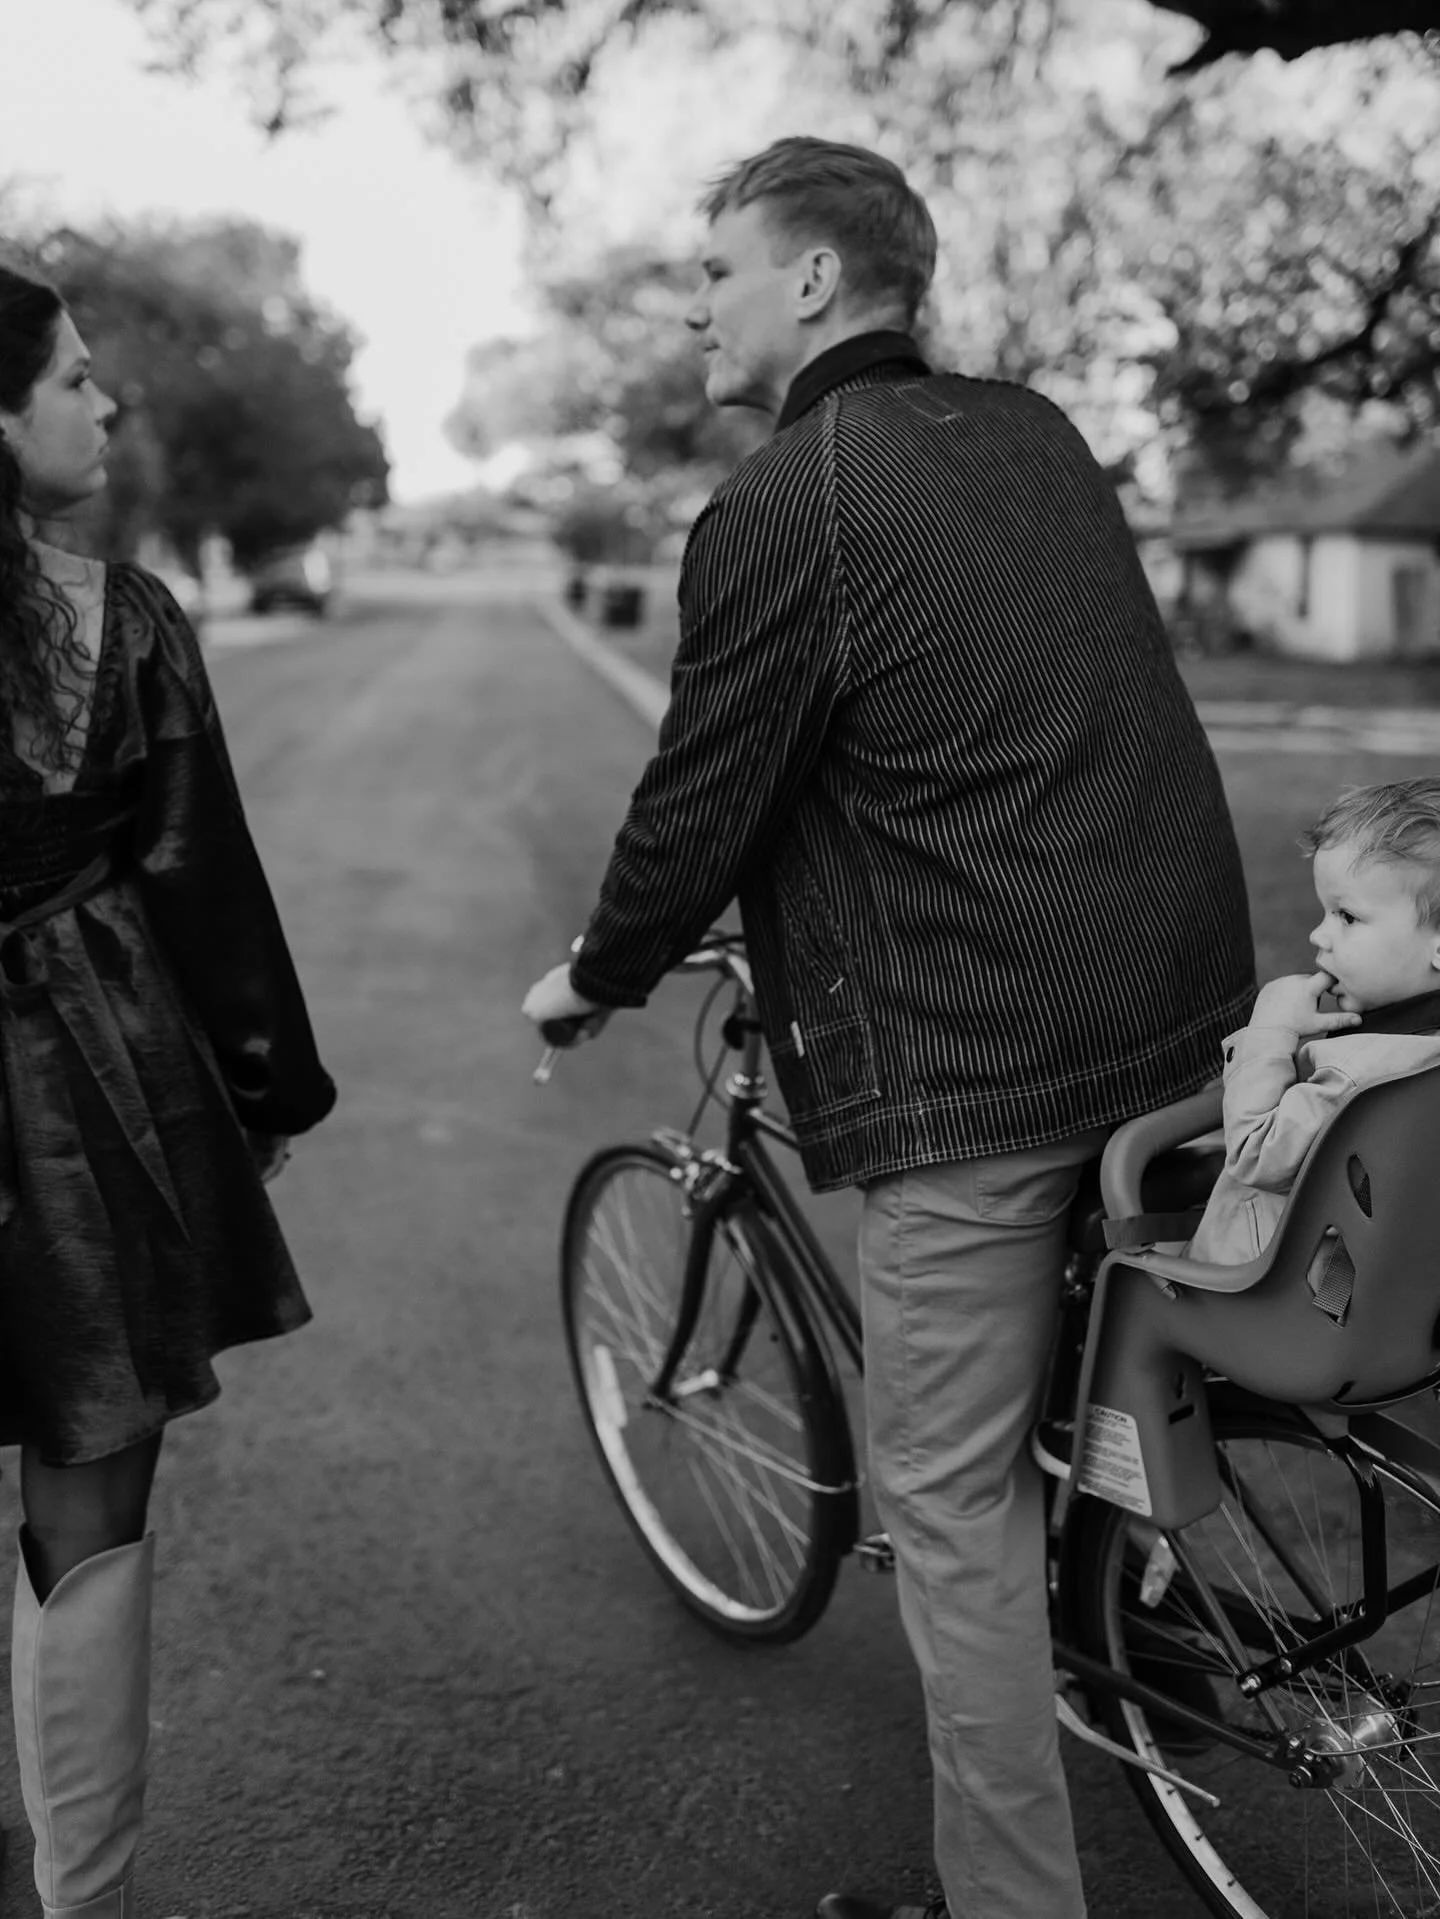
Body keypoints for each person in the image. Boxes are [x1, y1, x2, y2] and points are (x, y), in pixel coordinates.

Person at [522, 137, 1254, 1919]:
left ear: (817, 284)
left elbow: (706, 796)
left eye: (715, 265)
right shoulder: (1041, 435)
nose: (692, 297)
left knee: (948, 1510)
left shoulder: (790, 498)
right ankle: (1144, 1608)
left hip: (983, 1060)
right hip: (1178, 1014)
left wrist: (596, 971)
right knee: (1106, 1385)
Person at [0, 252, 336, 1918]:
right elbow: (202, 880)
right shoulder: (112, 621)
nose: (104, 396)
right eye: (68, 373)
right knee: (87, 1480)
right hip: (73, 1086)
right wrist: (266, 1090)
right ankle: (86, 1886)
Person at [1187, 779, 1440, 1289]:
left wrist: (1270, 1030)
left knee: (1127, 1281)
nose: (1318, 935)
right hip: (1403, 1311)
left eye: (1347, 916)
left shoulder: (1360, 1078)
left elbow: (1257, 1154)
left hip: (1296, 1308)